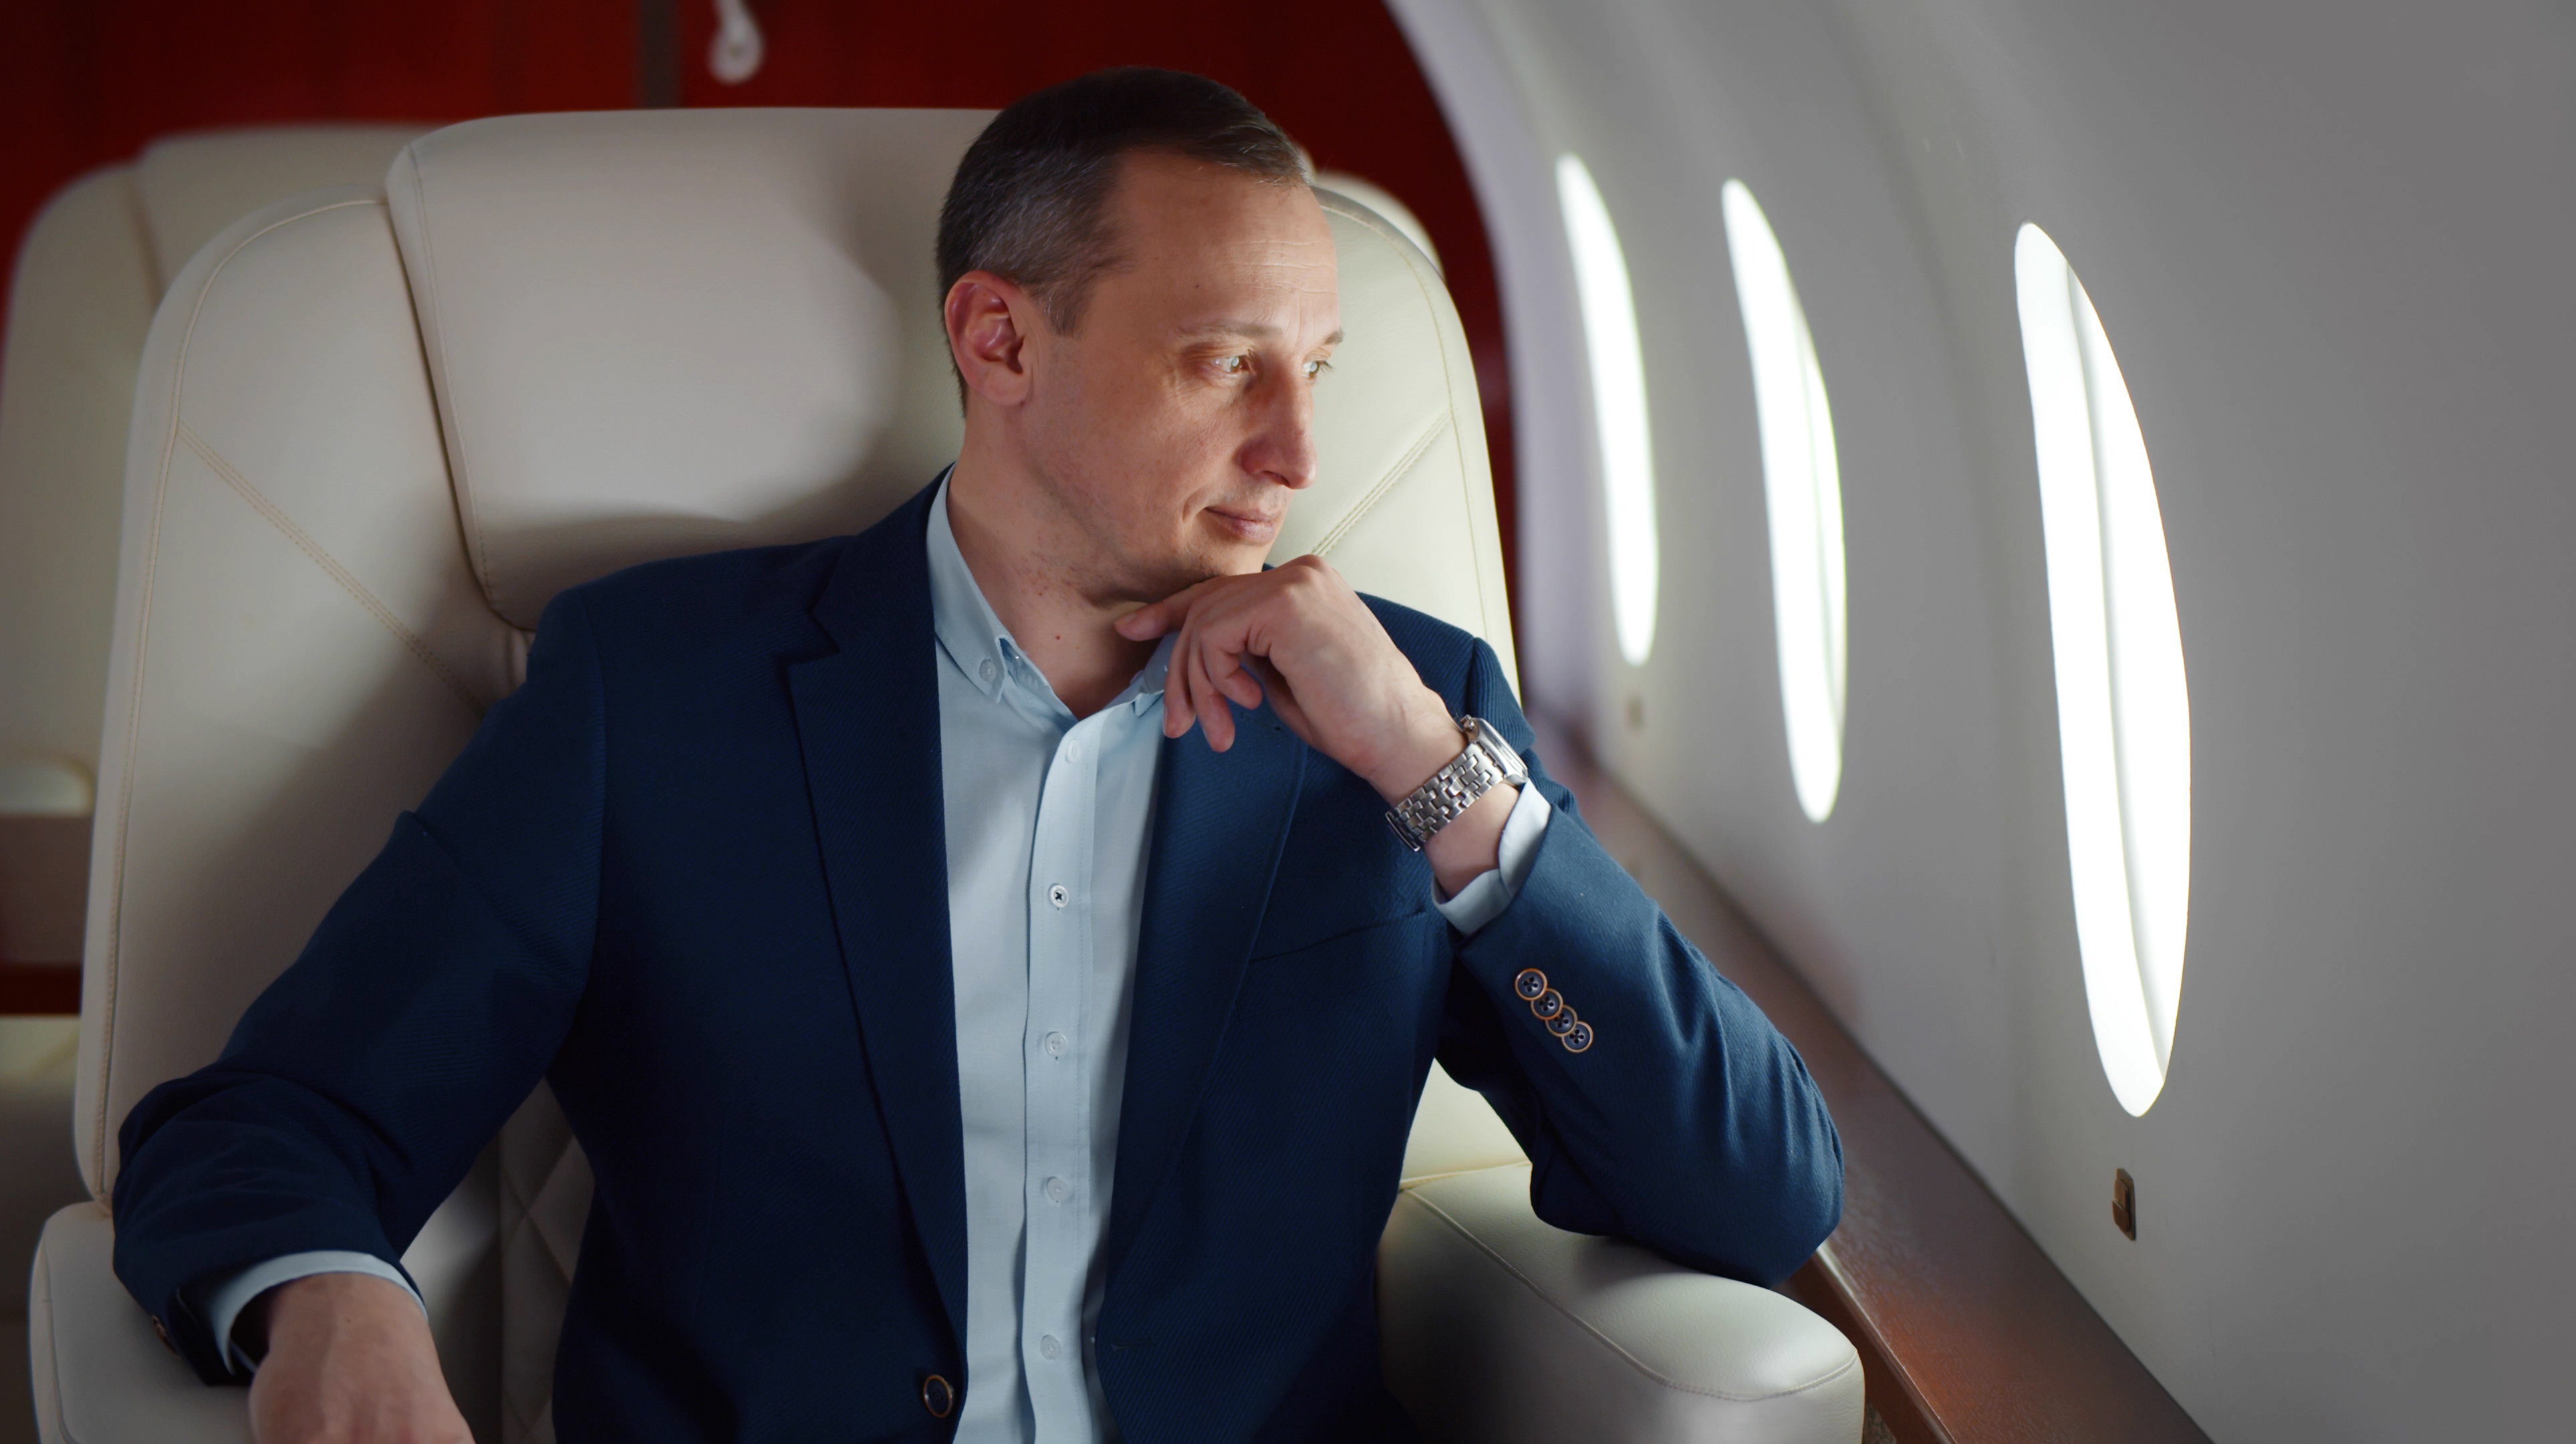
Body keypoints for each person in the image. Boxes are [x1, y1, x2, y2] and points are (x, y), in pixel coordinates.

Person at [109, 68, 1842, 1443]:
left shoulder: (1410, 713)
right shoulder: (658, 696)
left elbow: (1753, 1192)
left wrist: (1430, 766)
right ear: (998, 340)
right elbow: (268, 1123)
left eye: (1313, 369)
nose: (1300, 446)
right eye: (1227, 366)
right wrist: (331, 1290)